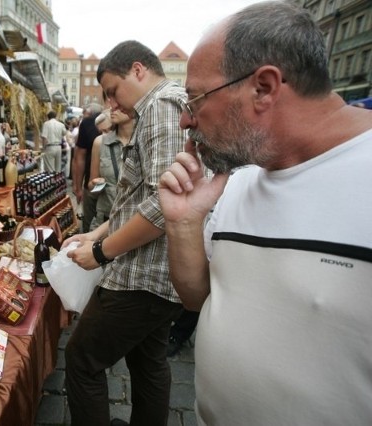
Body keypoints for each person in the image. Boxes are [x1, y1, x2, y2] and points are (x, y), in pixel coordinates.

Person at [158, 2, 372, 425]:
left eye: (196, 98)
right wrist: (183, 225)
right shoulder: (239, 175)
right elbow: (199, 296)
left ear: (264, 88)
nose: (185, 120)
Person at [63, 40, 187, 426]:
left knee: (82, 360)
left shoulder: (163, 106)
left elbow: (162, 206)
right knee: (148, 362)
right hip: (159, 276)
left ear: (137, 70)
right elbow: (133, 201)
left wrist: (100, 253)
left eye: (113, 91)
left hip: (143, 276)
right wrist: (95, 234)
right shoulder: (156, 107)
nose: (112, 105)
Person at [87, 108, 134, 231]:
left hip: (134, 222)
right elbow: (91, 187)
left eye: (118, 105)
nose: (113, 107)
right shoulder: (100, 142)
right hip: (105, 219)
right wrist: (97, 185)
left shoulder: (143, 140)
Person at [72, 103, 103, 232]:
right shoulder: (88, 123)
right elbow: (80, 157)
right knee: (90, 225)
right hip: (92, 186)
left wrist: (77, 187)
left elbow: (79, 157)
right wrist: (78, 187)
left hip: (110, 188)